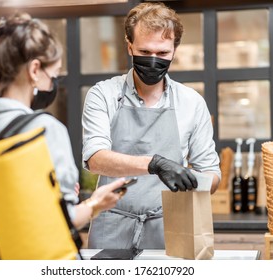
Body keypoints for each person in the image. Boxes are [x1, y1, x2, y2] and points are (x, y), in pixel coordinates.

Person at [0, 12, 126, 230]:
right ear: (35, 69)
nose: (53, 84)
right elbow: (63, 219)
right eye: (54, 75)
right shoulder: (45, 129)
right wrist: (96, 203)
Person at [82, 2, 221, 250]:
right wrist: (155, 164)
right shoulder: (103, 94)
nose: (154, 61)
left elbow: (211, 174)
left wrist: (193, 180)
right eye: (145, 53)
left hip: (171, 227)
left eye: (163, 53)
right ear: (129, 46)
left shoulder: (191, 102)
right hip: (112, 224)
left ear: (175, 50)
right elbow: (95, 158)